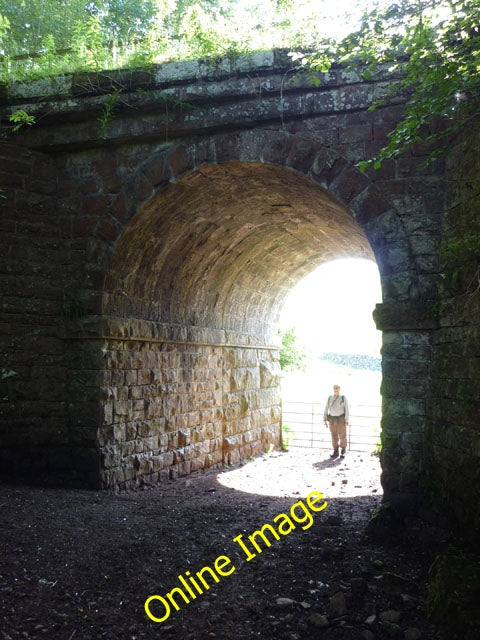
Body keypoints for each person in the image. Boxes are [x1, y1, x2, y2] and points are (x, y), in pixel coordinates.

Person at [323, 384, 349, 459]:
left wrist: (346, 420)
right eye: (335, 390)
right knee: (333, 435)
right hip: (332, 419)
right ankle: (335, 451)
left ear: (339, 390)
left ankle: (343, 451)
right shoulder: (330, 398)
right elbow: (326, 408)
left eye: (337, 390)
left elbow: (347, 409)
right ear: (333, 390)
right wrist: (324, 417)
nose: (336, 391)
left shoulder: (343, 398)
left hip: (341, 419)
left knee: (342, 435)